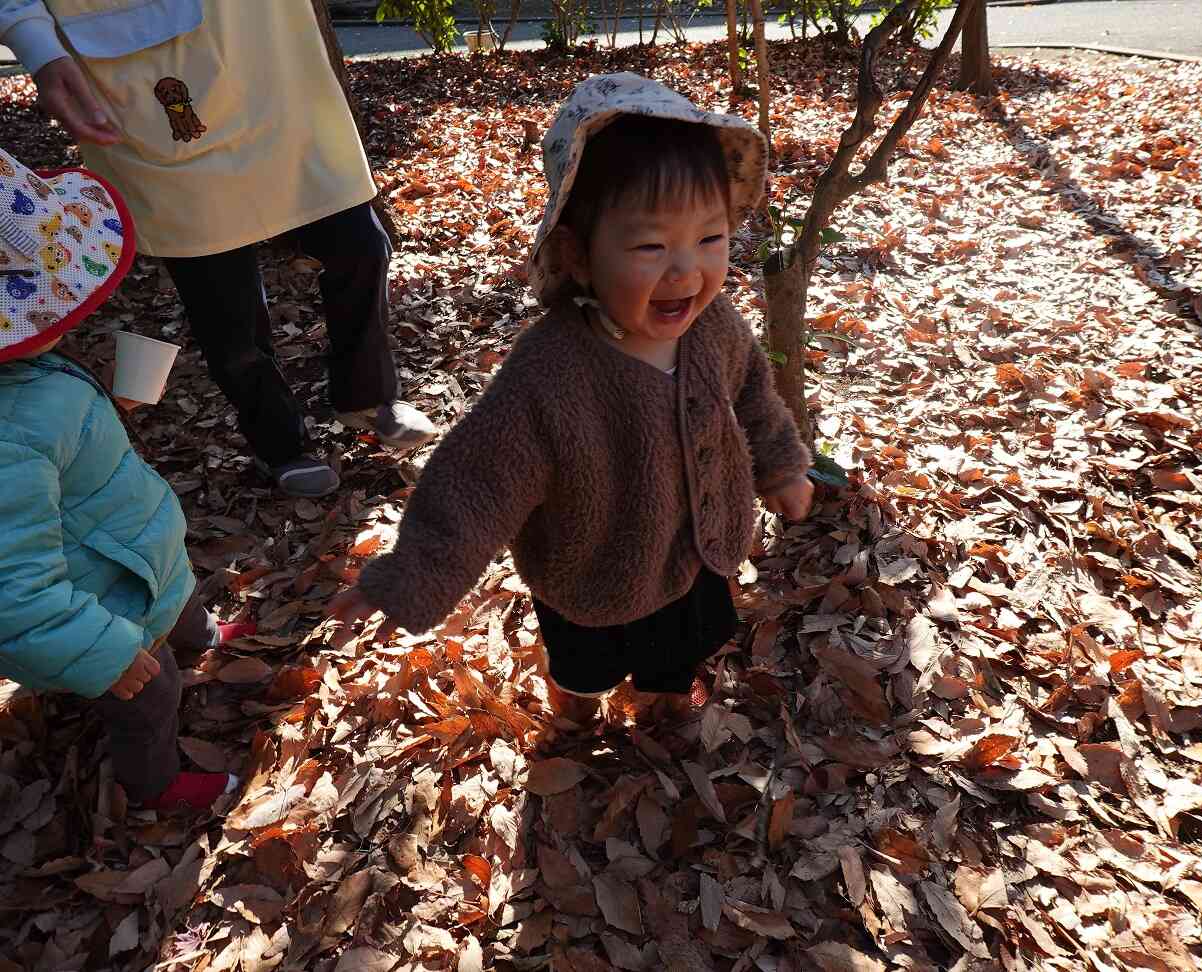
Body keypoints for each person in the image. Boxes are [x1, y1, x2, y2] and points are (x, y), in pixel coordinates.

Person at [329, 73, 814, 724]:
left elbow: (753, 392)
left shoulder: (716, 325)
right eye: (650, 245)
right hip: (591, 578)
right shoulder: (551, 372)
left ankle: (668, 701)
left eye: (711, 237)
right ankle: (576, 708)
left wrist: (781, 465)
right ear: (578, 255)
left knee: (679, 654)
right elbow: (477, 482)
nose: (687, 270)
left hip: (693, 560)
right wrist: (409, 576)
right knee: (585, 669)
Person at [0, 0, 436, 498]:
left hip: (269, 51)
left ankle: (367, 394)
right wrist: (34, 42)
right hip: (144, 64)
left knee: (360, 242)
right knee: (223, 301)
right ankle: (279, 442)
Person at [0, 150, 245, 812]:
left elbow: (54, 437)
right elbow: (13, 589)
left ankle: (202, 636)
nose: (74, 311)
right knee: (152, 691)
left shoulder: (28, 374)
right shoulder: (5, 438)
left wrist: (107, 408)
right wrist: (102, 652)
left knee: (181, 593)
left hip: (132, 548)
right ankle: (154, 784)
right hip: (103, 601)